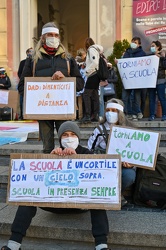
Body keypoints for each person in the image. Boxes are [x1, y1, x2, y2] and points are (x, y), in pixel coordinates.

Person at [1, 121, 111, 250]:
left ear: (78, 137)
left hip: (80, 204)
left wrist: (77, 160)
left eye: (72, 134)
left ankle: (101, 245)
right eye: (65, 135)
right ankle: (13, 244)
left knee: (98, 199)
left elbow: (98, 180)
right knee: (27, 197)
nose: (69, 138)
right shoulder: (54, 153)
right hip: (53, 203)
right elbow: (38, 182)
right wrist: (51, 160)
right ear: (59, 138)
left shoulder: (88, 154)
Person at [17, 22, 84, 153]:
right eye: (50, 35)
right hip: (43, 111)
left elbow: (80, 84)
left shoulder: (68, 59)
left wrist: (65, 79)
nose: (53, 38)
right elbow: (21, 86)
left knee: (67, 146)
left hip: (63, 110)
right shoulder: (32, 60)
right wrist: (36, 92)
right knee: (47, 148)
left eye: (56, 35)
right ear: (43, 37)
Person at [88, 98, 136, 205]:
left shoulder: (130, 130)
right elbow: (89, 149)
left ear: (120, 113)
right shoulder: (99, 130)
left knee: (129, 175)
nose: (110, 113)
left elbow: (135, 152)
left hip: (122, 166)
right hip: (103, 165)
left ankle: (117, 193)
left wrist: (131, 164)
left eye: (114, 110)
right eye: (108, 110)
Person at [122, 36, 146, 121]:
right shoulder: (127, 53)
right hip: (128, 79)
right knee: (125, 97)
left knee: (136, 97)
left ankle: (136, 113)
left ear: (139, 45)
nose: (133, 44)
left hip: (137, 80)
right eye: (132, 42)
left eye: (135, 42)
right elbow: (123, 63)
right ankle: (127, 113)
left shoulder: (142, 53)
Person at [81, 37, 102, 123]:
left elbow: (95, 62)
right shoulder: (96, 50)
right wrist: (85, 64)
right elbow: (93, 61)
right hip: (96, 74)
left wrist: (87, 70)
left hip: (92, 74)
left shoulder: (91, 49)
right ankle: (95, 115)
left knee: (86, 94)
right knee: (94, 95)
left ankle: (87, 115)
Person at [148, 40, 166, 121]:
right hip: (151, 81)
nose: (151, 47)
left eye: (153, 46)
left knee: (161, 98)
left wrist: (163, 58)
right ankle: (152, 115)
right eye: (151, 46)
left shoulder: (162, 57)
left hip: (160, 80)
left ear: (158, 47)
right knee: (151, 98)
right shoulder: (149, 57)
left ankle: (164, 115)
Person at [17, 48, 34, 120]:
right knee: (22, 101)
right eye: (31, 51)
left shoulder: (35, 61)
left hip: (32, 84)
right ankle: (22, 115)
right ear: (27, 52)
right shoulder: (22, 62)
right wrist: (23, 79)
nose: (32, 53)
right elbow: (19, 72)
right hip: (24, 83)